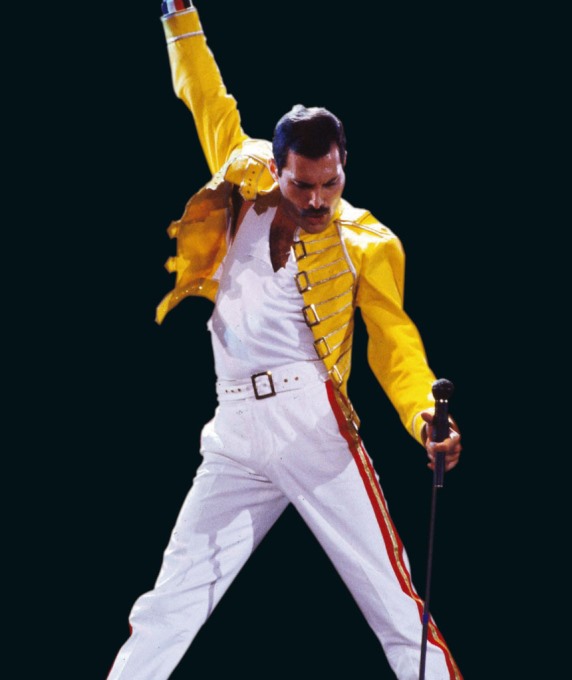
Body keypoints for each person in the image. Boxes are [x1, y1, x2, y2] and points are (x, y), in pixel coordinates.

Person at [107, 2, 463, 678]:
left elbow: (394, 341)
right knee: (169, 602)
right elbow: (204, 93)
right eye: (303, 185)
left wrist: (424, 413)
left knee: (392, 602)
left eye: (331, 182)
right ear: (276, 169)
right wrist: (178, 13)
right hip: (234, 427)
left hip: (312, 426)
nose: (318, 199)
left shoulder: (366, 241)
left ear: (343, 166)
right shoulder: (241, 172)